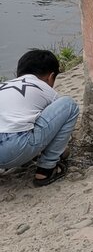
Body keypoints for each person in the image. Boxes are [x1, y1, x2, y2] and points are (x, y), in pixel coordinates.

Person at [0, 50, 79, 186]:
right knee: (69, 105)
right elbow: (54, 126)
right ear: (51, 76)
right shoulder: (45, 89)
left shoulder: (4, 86)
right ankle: (46, 170)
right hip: (14, 148)